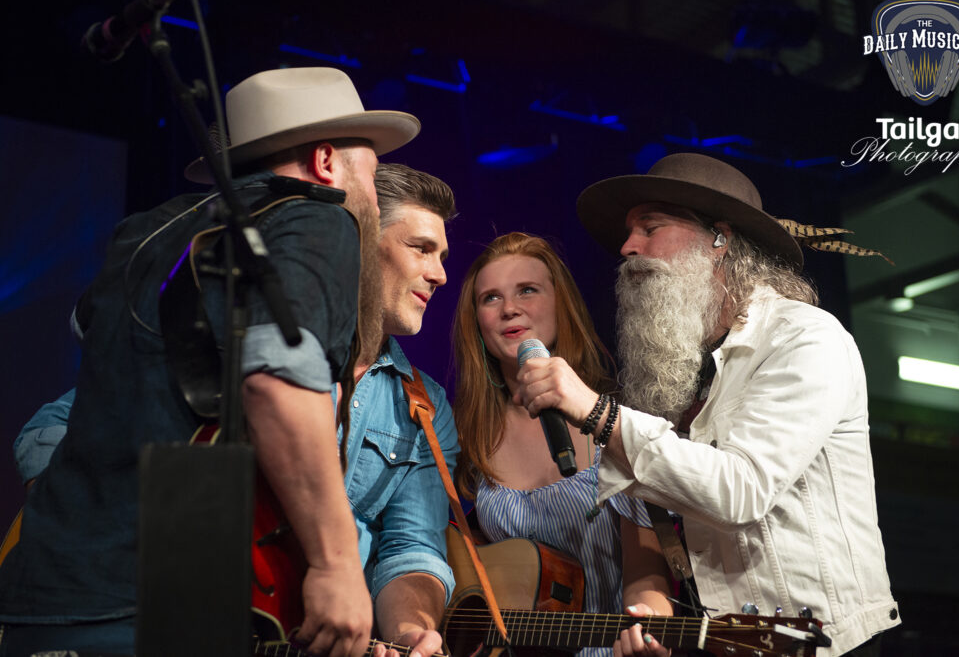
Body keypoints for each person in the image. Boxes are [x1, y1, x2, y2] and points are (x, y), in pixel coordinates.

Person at [0, 67, 422, 657]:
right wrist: (335, 564)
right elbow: (276, 382)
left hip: (42, 596)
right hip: (162, 598)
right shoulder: (318, 216)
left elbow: (89, 329)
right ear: (326, 161)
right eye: (372, 177)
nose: (371, 200)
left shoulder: (145, 231)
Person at [515, 153, 901, 657]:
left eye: (650, 228)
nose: (628, 248)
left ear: (719, 239)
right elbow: (650, 527)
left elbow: (742, 491)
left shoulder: (806, 338)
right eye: (629, 234)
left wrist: (595, 412)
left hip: (824, 645)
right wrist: (649, 613)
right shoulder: (669, 368)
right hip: (723, 642)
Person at [452, 232, 674, 657]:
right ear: (476, 321)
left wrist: (649, 627)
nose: (510, 308)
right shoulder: (469, 435)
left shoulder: (615, 422)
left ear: (561, 304)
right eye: (491, 298)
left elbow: (647, 574)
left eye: (527, 290)